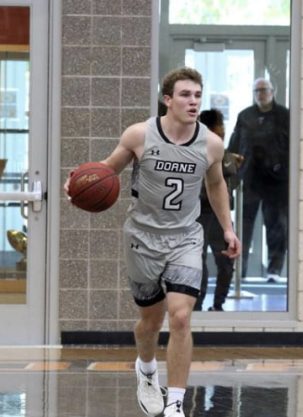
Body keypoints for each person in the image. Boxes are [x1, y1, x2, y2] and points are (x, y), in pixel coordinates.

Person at [64, 67, 241, 417]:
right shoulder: (139, 135)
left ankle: (175, 402)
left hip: (185, 238)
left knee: (180, 318)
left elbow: (216, 185)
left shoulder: (211, 144)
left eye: (197, 96)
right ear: (167, 99)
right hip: (142, 238)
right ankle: (146, 368)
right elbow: (108, 169)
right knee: (150, 322)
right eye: (185, 95)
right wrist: (79, 182)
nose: (193, 102)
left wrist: (228, 228)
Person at [228, 78, 289, 283]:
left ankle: (274, 270)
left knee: (276, 227)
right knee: (244, 226)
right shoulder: (245, 116)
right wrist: (231, 174)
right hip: (250, 181)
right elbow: (234, 146)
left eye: (264, 90)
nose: (261, 94)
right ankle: (240, 271)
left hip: (277, 182)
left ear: (273, 91)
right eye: (257, 91)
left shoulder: (285, 116)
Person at [194, 108, 242, 311]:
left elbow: (232, 176)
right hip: (200, 214)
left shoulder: (225, 153)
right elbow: (228, 169)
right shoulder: (199, 150)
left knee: (225, 261)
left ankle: (218, 305)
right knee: (198, 262)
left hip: (219, 216)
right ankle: (197, 305)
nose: (222, 131)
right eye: (218, 127)